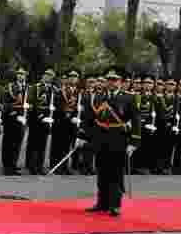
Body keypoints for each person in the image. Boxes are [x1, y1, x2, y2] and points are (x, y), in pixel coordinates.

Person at [76, 67, 140, 217]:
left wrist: (134, 142)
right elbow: (89, 119)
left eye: (114, 79)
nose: (111, 82)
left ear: (121, 82)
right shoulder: (98, 97)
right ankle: (102, 203)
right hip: (100, 139)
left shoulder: (129, 98)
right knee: (102, 171)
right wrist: (82, 136)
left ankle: (115, 205)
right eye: (109, 79)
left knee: (116, 172)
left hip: (119, 139)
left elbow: (136, 121)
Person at [49, 69, 82, 175]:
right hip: (62, 122)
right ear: (68, 79)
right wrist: (68, 116)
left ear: (78, 79)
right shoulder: (60, 91)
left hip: (74, 123)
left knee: (70, 146)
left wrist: (79, 112)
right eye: (71, 77)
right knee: (61, 145)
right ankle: (58, 167)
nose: (73, 78)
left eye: (75, 77)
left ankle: (66, 166)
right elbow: (58, 107)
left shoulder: (79, 92)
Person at [1, 67, 31, 175]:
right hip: (11, 119)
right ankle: (7, 167)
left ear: (26, 75)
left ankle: (13, 165)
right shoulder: (10, 86)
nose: (21, 76)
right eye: (19, 74)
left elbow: (30, 102)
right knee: (8, 143)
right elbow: (5, 103)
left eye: (23, 74)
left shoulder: (28, 87)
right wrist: (15, 113)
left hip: (23, 119)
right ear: (16, 75)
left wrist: (28, 107)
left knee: (18, 143)